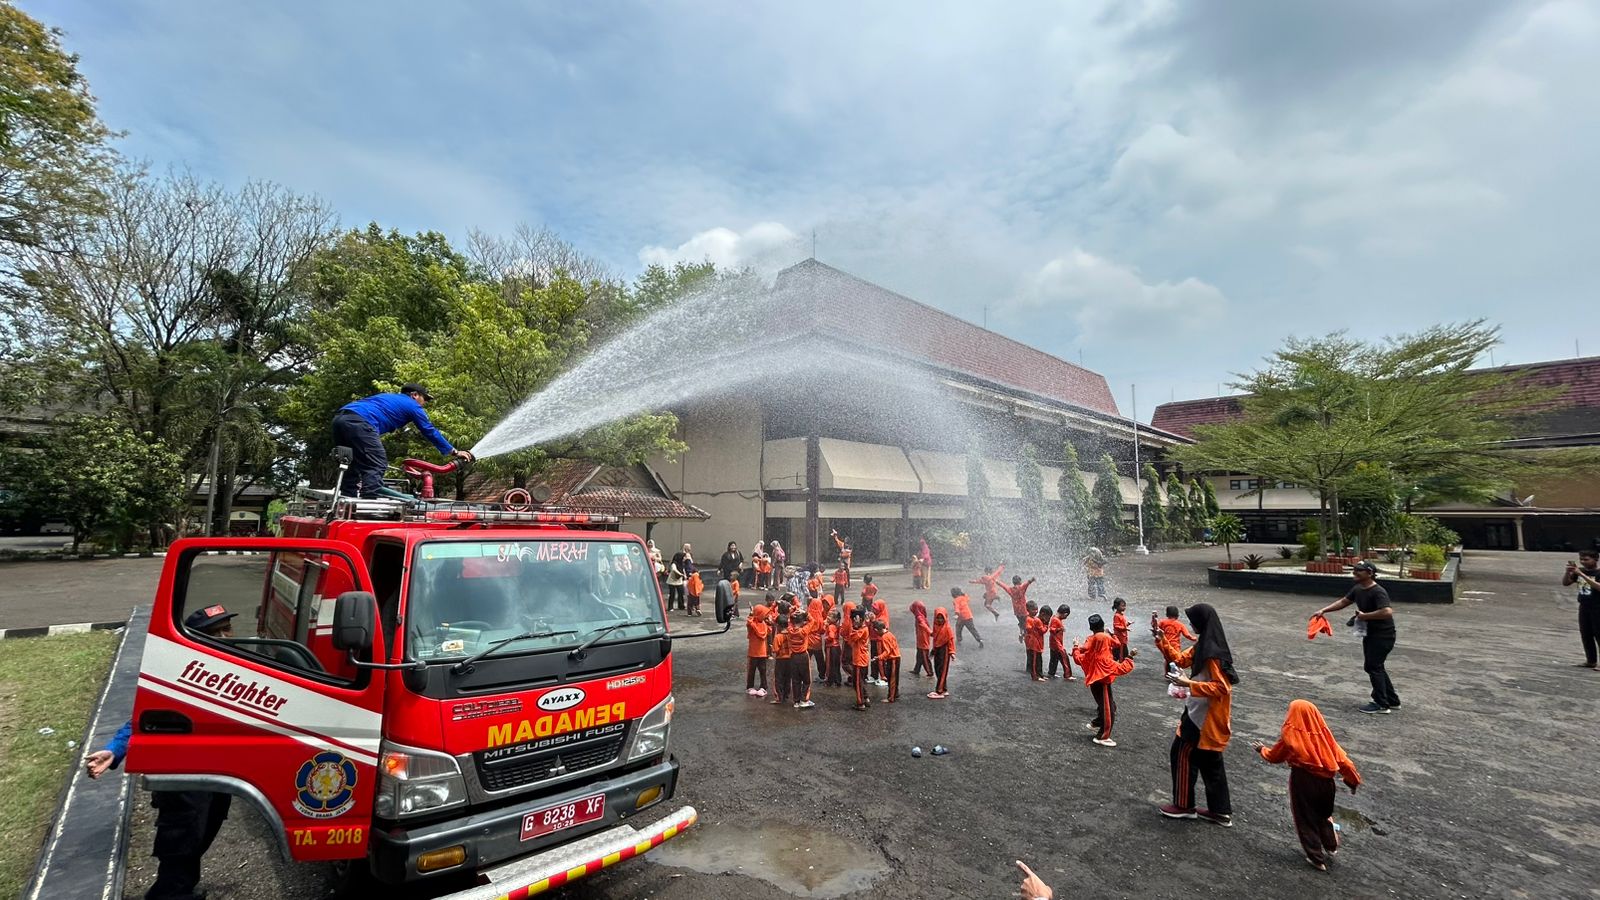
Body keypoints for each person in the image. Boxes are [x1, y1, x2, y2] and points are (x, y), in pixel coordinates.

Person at [86, 606, 239, 900]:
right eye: (214, 633)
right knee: (183, 837)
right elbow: (143, 716)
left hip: (219, 771)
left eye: (226, 629)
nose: (224, 637)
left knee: (207, 827)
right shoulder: (181, 673)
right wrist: (114, 750)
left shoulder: (237, 666)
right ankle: (169, 894)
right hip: (182, 772)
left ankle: (181, 888)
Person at [1250, 699, 1362, 871]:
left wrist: (1262, 750)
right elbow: (1345, 763)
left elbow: (1275, 756)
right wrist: (1352, 781)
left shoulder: (1291, 735)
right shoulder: (1325, 737)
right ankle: (1331, 846)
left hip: (1303, 780)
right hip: (1327, 784)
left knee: (1305, 818)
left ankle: (1316, 858)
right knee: (1323, 815)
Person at [1156, 603, 1238, 827]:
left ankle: (1183, 806)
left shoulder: (1212, 654)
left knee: (1181, 751)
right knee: (1210, 761)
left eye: (1193, 620)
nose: (1190, 623)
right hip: (1202, 712)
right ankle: (1220, 812)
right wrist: (1162, 639)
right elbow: (1180, 660)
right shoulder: (1206, 644)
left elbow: (1222, 688)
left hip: (1204, 717)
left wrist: (1189, 683)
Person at [331, 383, 473, 497]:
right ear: (414, 395)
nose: (424, 404)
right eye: (424, 399)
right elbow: (429, 430)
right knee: (378, 463)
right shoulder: (412, 405)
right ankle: (368, 502)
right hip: (360, 422)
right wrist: (453, 451)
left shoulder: (388, 397)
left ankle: (347, 498)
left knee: (352, 463)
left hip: (340, 419)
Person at [1311, 561, 1401, 713]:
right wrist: (1324, 610)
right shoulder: (1358, 588)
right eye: (1354, 570)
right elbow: (1344, 601)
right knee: (1375, 666)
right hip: (1371, 634)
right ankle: (1392, 700)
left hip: (1383, 635)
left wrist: (1366, 616)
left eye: (1359, 570)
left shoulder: (1378, 591)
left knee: (1373, 666)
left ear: (1370, 573)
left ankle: (1381, 704)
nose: (1355, 572)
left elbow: (1387, 611)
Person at [1071, 614, 1133, 747]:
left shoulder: (1090, 650)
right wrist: (1130, 657)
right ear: (1103, 625)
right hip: (1103, 682)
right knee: (1108, 709)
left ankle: (1096, 723)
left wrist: (1076, 647)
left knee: (1106, 704)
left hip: (1095, 682)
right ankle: (1103, 736)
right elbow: (1122, 666)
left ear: (1091, 628)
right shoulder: (1105, 659)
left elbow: (1078, 657)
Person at [1563, 550, 1600, 668]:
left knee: (1599, 634)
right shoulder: (1580, 571)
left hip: (1597, 607)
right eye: (1581, 559)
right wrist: (1567, 573)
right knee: (1586, 634)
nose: (1583, 562)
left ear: (1595, 559)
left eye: (1586, 559)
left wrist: (1582, 575)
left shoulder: (1597, 573)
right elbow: (1566, 583)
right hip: (1584, 606)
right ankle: (1591, 660)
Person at [847, 609, 873, 710]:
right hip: (860, 658)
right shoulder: (863, 628)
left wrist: (855, 626)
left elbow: (852, 638)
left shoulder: (861, 629)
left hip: (860, 660)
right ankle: (865, 697)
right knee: (858, 681)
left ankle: (860, 703)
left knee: (857, 683)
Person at [929, 607, 955, 698]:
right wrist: (933, 650)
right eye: (938, 618)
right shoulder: (936, 626)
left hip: (945, 650)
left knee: (942, 670)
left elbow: (950, 640)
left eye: (942, 618)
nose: (940, 620)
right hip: (938, 649)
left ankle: (939, 691)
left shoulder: (947, 628)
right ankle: (944, 688)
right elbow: (935, 639)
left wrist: (952, 652)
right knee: (937, 669)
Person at [745, 603, 770, 696]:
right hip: (761, 652)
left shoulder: (753, 624)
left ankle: (750, 686)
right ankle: (763, 687)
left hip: (753, 652)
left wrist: (751, 615)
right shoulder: (763, 624)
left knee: (752, 671)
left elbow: (748, 622)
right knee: (762, 671)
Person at [874, 619, 902, 702]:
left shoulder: (884, 637)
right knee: (894, 678)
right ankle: (895, 693)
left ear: (877, 630)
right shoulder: (890, 634)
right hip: (895, 657)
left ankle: (891, 698)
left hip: (893, 659)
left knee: (892, 679)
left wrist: (879, 657)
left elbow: (887, 651)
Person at [1002, 575, 1038, 639]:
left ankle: (1021, 633)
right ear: (1020, 581)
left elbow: (1004, 586)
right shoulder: (1021, 587)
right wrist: (1032, 579)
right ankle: (1026, 636)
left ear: (1013, 582)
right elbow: (1027, 583)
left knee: (1021, 622)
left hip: (1016, 611)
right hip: (1023, 610)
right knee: (1027, 623)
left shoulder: (1010, 589)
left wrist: (996, 581)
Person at [1048, 604, 1073, 680]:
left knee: (1054, 659)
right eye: (1066, 616)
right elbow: (1052, 630)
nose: (1066, 617)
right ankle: (1068, 675)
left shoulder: (1055, 618)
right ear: (1065, 614)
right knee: (1064, 658)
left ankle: (1051, 673)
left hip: (1053, 643)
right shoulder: (1056, 620)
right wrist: (1059, 629)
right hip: (1057, 644)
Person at [910, 600, 934, 678]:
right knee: (919, 656)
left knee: (924, 657)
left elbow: (923, 625)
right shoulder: (921, 615)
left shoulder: (919, 617)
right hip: (921, 639)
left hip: (923, 640)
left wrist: (930, 632)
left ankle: (930, 672)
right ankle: (917, 669)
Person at [1028, 605, 1051, 681]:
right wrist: (1046, 625)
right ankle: (1035, 676)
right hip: (1034, 644)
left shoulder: (1039, 620)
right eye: (1047, 617)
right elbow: (1042, 631)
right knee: (1035, 662)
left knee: (1039, 661)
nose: (1048, 619)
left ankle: (1040, 674)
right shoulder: (1037, 620)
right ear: (1043, 614)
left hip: (1038, 644)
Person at [666, 545, 690, 611]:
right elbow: (674, 570)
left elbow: (683, 569)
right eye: (683, 557)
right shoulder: (674, 563)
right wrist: (680, 574)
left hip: (679, 580)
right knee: (672, 594)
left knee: (681, 593)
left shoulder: (681, 563)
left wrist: (684, 575)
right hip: (672, 581)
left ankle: (681, 605)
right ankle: (670, 607)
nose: (684, 558)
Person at [1111, 597, 1131, 661]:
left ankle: (1116, 662)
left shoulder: (1121, 615)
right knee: (1122, 654)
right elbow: (1116, 626)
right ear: (1117, 606)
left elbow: (1122, 624)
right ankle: (1120, 665)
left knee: (1121, 653)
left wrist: (1127, 624)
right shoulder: (1117, 615)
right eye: (1122, 606)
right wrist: (1125, 628)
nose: (1124, 607)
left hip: (1122, 638)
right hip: (1120, 639)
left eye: (1125, 606)